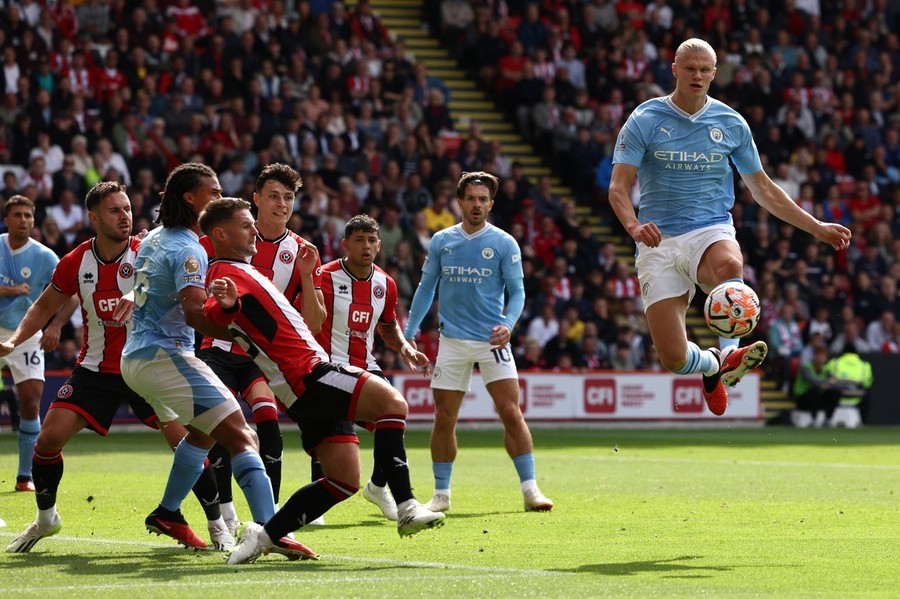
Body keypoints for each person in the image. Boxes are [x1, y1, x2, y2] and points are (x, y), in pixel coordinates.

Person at [608, 38, 851, 416]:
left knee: (730, 268)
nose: (697, 76)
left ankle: (730, 353)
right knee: (673, 357)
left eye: (705, 70)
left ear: (715, 74)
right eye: (690, 68)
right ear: (675, 70)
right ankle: (711, 366)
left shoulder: (731, 123)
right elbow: (618, 187)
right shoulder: (645, 119)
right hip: (657, 241)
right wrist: (633, 225)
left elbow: (764, 189)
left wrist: (816, 227)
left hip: (710, 229)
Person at [199, 198, 444, 564]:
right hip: (306, 372)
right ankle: (407, 505)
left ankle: (263, 536)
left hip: (296, 382)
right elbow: (214, 312)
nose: (254, 231)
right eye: (246, 225)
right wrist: (230, 306)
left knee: (344, 478)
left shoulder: (241, 270)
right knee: (393, 405)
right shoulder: (229, 274)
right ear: (221, 233)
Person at [2, 182, 229, 553]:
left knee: (187, 444)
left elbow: (174, 286)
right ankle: (46, 520)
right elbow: (43, 306)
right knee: (47, 441)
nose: (125, 217)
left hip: (149, 365)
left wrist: (135, 293)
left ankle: (217, 525)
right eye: (114, 211)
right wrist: (14, 341)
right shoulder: (76, 261)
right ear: (93, 217)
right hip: (96, 370)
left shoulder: (147, 251)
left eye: (127, 209)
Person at [120, 163, 313, 559]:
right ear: (191, 198)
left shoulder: (156, 238)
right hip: (163, 355)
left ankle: (168, 511)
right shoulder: (189, 247)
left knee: (205, 434)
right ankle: (273, 530)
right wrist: (246, 333)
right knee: (243, 435)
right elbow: (194, 312)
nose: (220, 196)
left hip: (140, 355)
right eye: (213, 191)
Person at [403, 171, 553, 513]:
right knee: (444, 417)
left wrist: (509, 324)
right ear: (459, 202)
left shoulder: (504, 243)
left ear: (491, 204)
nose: (476, 204)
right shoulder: (442, 241)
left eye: (483, 199)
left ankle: (531, 491)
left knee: (510, 412)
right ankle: (441, 494)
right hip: (452, 341)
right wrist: (409, 333)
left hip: (492, 341)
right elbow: (427, 288)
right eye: (470, 198)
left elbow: (517, 292)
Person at [198, 163, 326, 533]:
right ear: (255, 199)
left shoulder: (301, 251)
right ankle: (225, 510)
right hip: (218, 346)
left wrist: (304, 274)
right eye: (273, 195)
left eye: (288, 197)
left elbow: (314, 324)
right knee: (220, 426)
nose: (281, 204)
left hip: (260, 357)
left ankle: (269, 517)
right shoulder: (220, 240)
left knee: (269, 426)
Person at [315, 214, 432, 522]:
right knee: (330, 433)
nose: (366, 246)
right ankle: (317, 493)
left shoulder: (385, 284)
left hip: (366, 366)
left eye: (371, 240)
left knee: (392, 419)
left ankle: (379, 487)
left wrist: (407, 348)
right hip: (327, 366)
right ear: (345, 245)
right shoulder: (323, 277)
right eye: (359, 240)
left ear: (379, 245)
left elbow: (388, 327)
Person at [0, 196, 63, 492]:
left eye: (28, 215)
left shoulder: (46, 257)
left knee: (31, 400)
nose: (23, 220)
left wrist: (56, 324)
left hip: (25, 335)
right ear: (7, 219)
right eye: (17, 215)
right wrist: (11, 289)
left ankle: (25, 476)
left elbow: (71, 294)